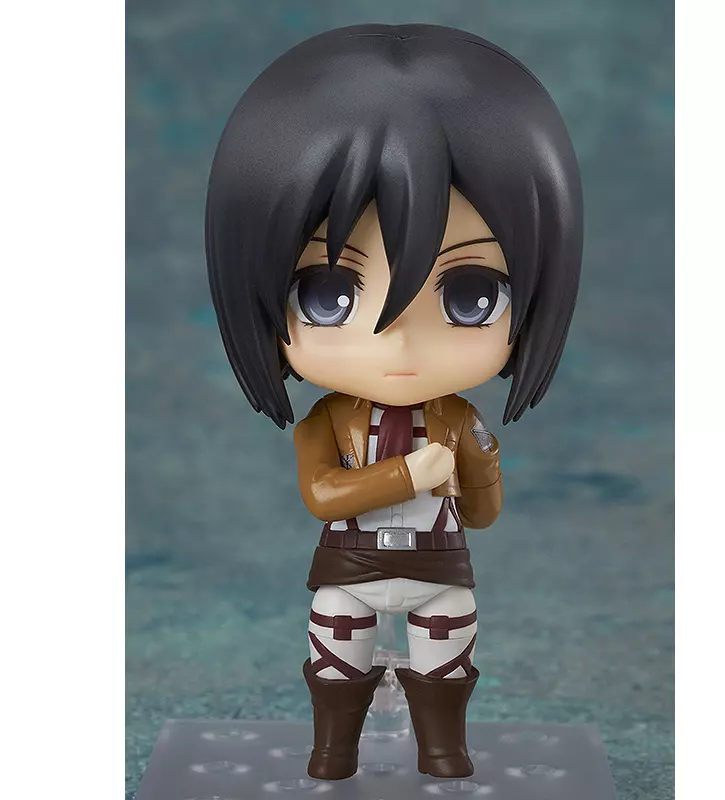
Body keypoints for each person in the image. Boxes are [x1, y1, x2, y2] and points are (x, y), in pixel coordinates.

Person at [205, 23, 582, 781]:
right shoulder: (328, 422)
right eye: (329, 294)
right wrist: (410, 475)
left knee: (447, 658)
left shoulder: (457, 420)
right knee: (336, 659)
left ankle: (443, 750)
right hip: (349, 565)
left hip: (440, 567)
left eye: (471, 295)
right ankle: (331, 751)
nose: (399, 341)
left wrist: (480, 464)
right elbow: (322, 494)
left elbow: (483, 514)